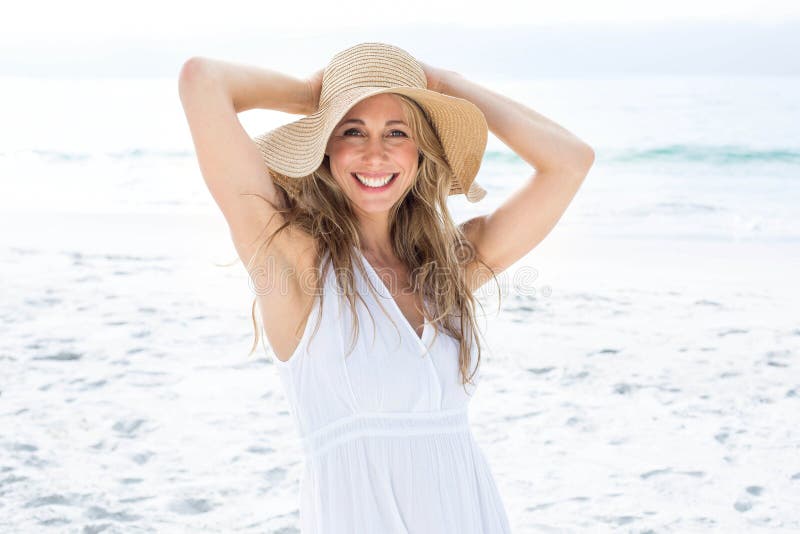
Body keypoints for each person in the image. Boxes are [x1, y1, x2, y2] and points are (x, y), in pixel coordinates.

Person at [179, 42, 594, 533]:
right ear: (326, 147)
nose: (375, 153)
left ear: (420, 151)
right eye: (352, 130)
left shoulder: (449, 269)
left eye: (397, 132)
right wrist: (316, 94)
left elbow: (571, 161)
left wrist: (441, 85)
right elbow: (202, 81)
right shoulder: (295, 261)